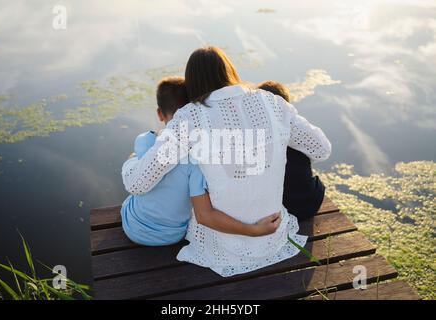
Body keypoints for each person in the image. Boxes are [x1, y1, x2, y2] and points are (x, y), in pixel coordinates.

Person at [124, 46, 331, 277]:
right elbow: (321, 149)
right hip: (274, 237)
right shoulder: (273, 102)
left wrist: (131, 162)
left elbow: (137, 184)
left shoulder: (190, 117)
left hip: (223, 249)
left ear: (192, 83)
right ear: (229, 71)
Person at [121, 76, 281, 246]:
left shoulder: (146, 139)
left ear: (160, 114)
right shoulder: (197, 159)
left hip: (131, 226)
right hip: (171, 236)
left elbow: (136, 167)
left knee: (134, 174)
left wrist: (132, 160)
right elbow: (204, 215)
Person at [257, 80, 325, 221]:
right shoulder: (298, 131)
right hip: (308, 206)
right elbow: (323, 151)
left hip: (276, 210)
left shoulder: (254, 134)